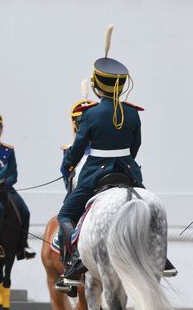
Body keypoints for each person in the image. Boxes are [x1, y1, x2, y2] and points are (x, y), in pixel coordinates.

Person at [56, 25, 177, 290]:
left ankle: (75, 260)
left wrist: (67, 166)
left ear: (97, 85)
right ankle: (161, 258)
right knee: (145, 204)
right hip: (129, 172)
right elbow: (136, 146)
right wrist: (125, 161)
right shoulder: (133, 113)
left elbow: (77, 149)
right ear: (121, 86)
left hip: (94, 174)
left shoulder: (89, 115)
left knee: (65, 213)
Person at [0, 103, 36, 260]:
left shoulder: (8, 150)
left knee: (25, 211)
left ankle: (23, 245)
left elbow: (14, 174)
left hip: (6, 189)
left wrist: (5, 183)